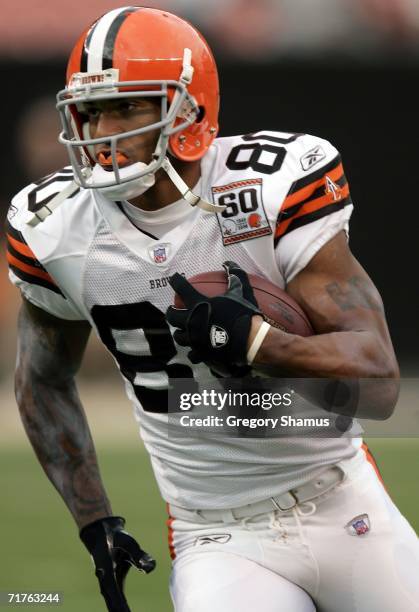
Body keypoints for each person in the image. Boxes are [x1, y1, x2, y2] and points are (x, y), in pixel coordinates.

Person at [6, 6, 419, 612]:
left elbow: (380, 386)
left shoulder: (268, 188)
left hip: (342, 501)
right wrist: (94, 521)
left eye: (127, 107)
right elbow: (41, 379)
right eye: (90, 113)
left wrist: (261, 345)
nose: (102, 134)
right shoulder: (53, 228)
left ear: (188, 109)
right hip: (218, 534)